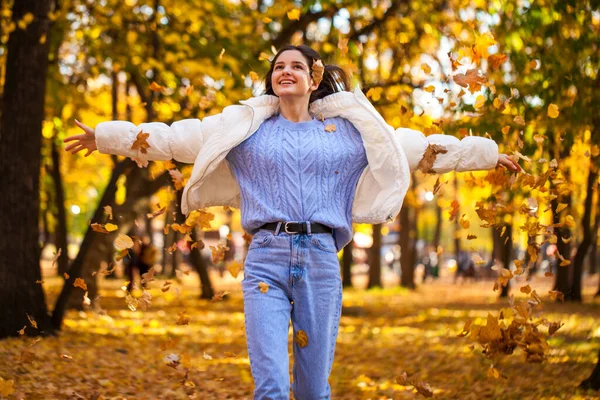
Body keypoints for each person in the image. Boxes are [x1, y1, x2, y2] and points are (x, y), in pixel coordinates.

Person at [64, 44, 521, 399]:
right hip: (265, 261)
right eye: (278, 66)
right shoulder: (245, 129)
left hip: (322, 263)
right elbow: (171, 139)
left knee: (312, 390)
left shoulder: (351, 133)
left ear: (315, 77)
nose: (285, 71)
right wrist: (106, 137)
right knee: (271, 389)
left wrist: (486, 155)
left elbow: (421, 150)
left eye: (296, 66)